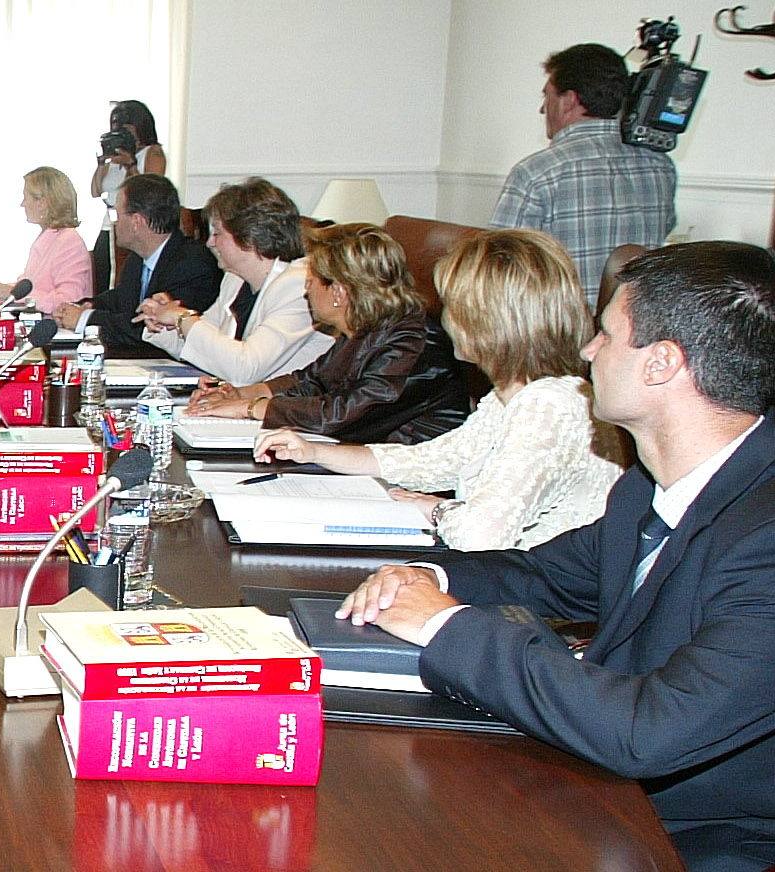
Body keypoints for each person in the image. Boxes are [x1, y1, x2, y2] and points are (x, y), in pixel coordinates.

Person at [336, 241, 775, 871]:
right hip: (609, 781)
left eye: (606, 334)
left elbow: (648, 734)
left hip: (718, 837)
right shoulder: (658, 479)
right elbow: (546, 576)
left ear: (661, 364)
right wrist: (425, 576)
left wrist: (441, 621)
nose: (587, 350)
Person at [257, 228, 621, 550]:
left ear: (488, 321)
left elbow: (480, 536)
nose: (445, 318)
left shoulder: (548, 405)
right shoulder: (511, 396)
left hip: (530, 597)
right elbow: (431, 462)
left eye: (454, 305)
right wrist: (313, 452)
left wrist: (433, 507)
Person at [183, 223, 470, 444]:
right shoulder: (365, 329)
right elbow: (311, 381)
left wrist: (250, 408)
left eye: (310, 282)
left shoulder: (415, 342)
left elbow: (339, 415)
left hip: (405, 484)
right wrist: (237, 394)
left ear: (339, 292)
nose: (305, 290)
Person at [491, 43, 677, 296]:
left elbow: (497, 270)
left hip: (564, 331)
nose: (543, 108)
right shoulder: (662, 167)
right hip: (635, 328)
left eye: (547, 96)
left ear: (569, 101)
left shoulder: (536, 173)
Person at [136, 177, 332, 384]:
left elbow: (246, 369)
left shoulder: (298, 285)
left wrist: (182, 318)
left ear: (250, 237)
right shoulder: (234, 281)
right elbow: (210, 353)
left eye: (218, 233)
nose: (210, 243)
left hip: (287, 409)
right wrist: (163, 323)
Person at [54, 173, 220, 355]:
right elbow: (120, 299)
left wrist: (85, 318)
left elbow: (146, 328)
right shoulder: (137, 258)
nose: (114, 223)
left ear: (136, 222)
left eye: (117, 214)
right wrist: (87, 305)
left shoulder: (193, 263)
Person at [0, 166, 90, 314]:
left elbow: (68, 301)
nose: (23, 204)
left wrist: (10, 293)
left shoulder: (69, 242)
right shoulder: (48, 238)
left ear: (42, 203)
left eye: (25, 197)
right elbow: (34, 288)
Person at [87, 100, 168, 295]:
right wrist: (101, 164)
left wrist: (131, 165)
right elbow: (95, 191)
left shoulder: (152, 153)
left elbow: (148, 193)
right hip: (110, 224)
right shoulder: (114, 157)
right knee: (102, 277)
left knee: (124, 279)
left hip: (135, 226)